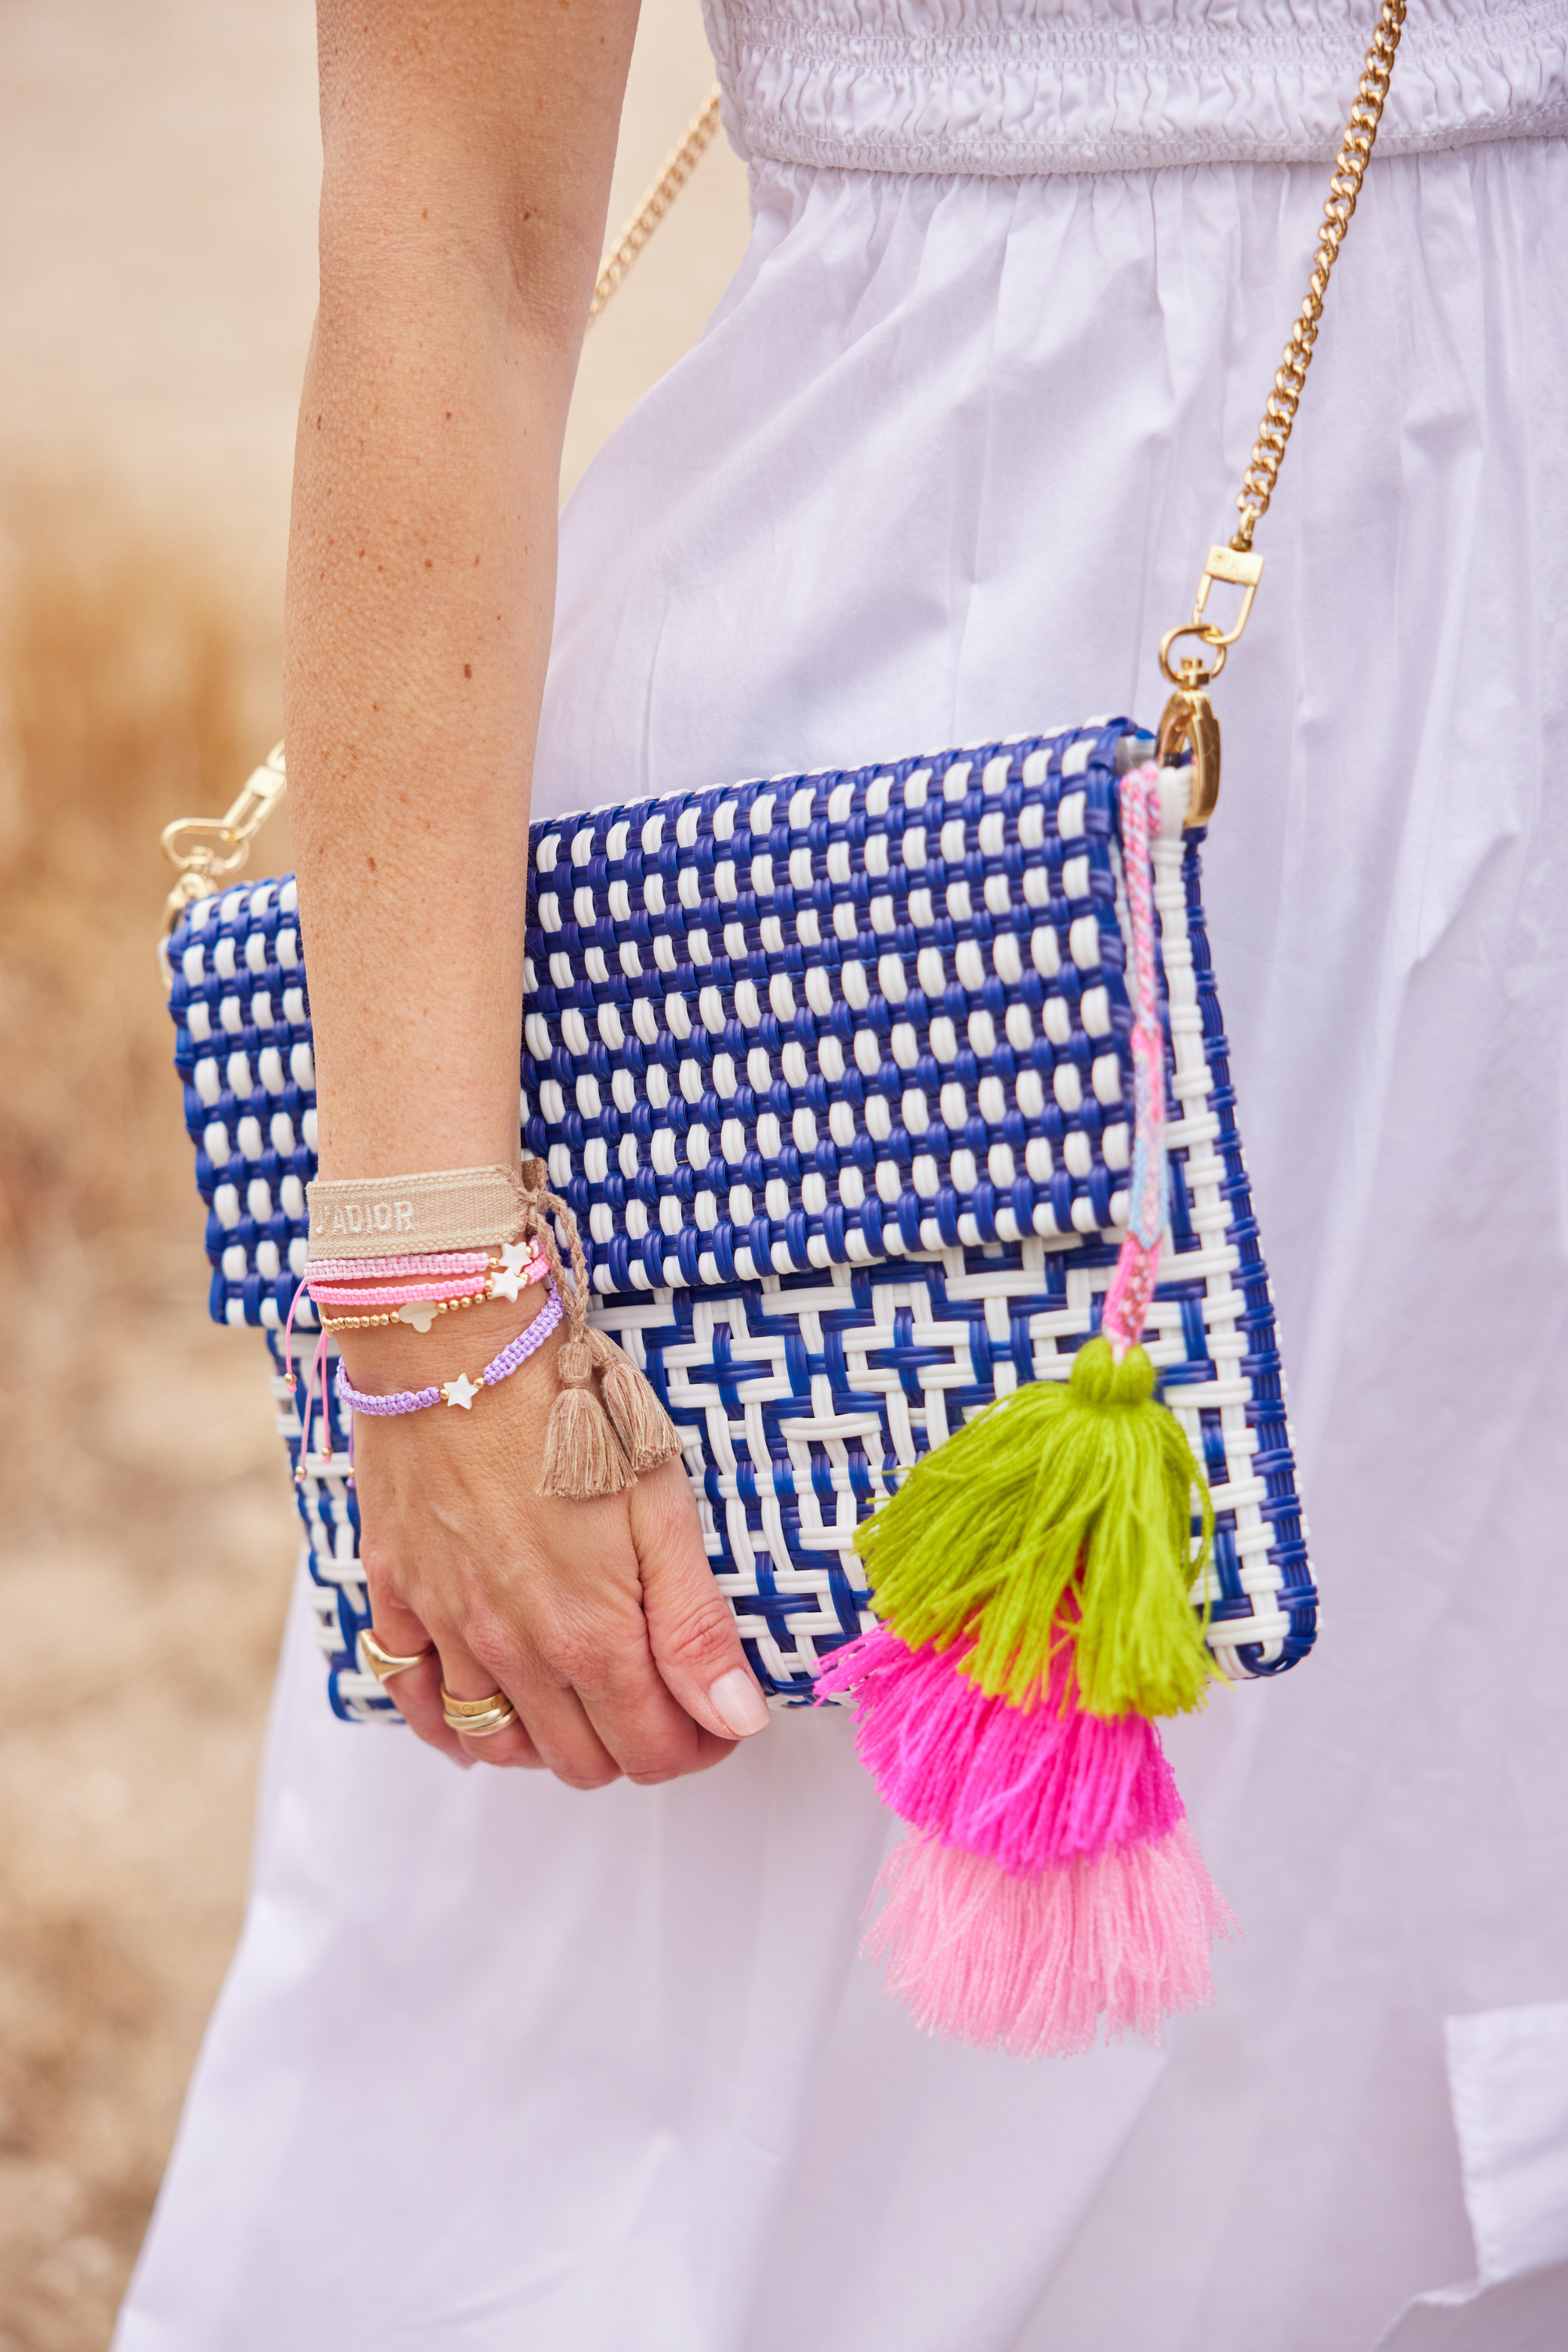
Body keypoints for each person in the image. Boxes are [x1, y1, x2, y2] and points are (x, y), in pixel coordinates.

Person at [116, 2, 1568, 2347]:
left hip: (1512, 875)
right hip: (926, 809)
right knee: (693, 2138)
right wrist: (428, 1283)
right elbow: (449, 244)